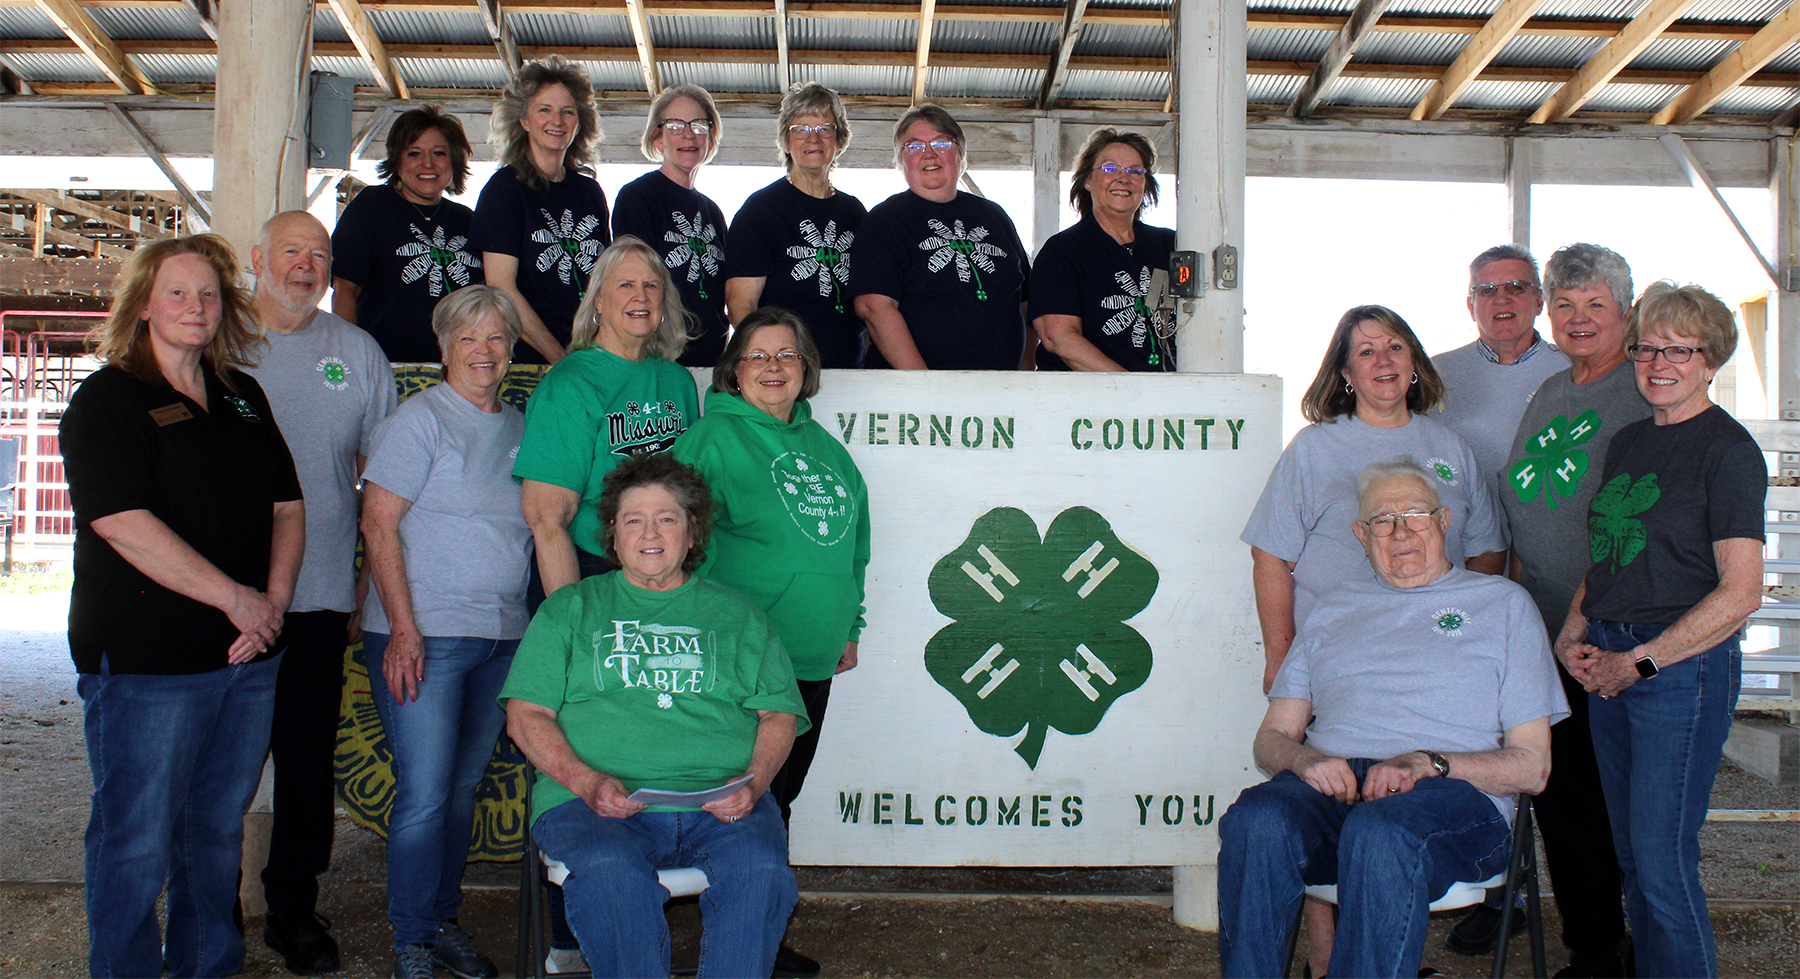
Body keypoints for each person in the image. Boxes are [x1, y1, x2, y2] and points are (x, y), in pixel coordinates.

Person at [60, 234, 304, 978]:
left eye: (208, 294)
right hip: (147, 663)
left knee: (213, 834)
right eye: (177, 292)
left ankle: (205, 966)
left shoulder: (241, 394)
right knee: (135, 838)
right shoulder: (106, 400)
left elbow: (288, 507)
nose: (195, 307)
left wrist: (272, 608)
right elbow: (123, 523)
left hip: (246, 657)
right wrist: (238, 599)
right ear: (141, 305)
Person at [1219, 460, 1567, 979]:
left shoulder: (1503, 605)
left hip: (1452, 797)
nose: (1401, 531)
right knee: (1256, 820)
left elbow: (1532, 767)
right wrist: (1305, 759)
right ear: (1361, 535)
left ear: (1444, 521)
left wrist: (1431, 763)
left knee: (1380, 833)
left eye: (1416, 515)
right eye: (1383, 520)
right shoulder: (1334, 608)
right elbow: (1271, 739)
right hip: (1338, 789)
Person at [1240, 304, 1507, 974]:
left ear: (1415, 361)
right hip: (1334, 659)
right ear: (1344, 372)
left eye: (1395, 346)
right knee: (1331, 798)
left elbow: (1486, 554)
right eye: (1366, 352)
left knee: (1397, 815)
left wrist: (1472, 637)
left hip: (1429, 665)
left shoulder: (1450, 449)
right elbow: (1272, 557)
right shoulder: (1315, 447)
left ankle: (1379, 957)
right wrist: (1281, 653)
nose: (1384, 361)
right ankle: (1332, 963)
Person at [502, 453, 810, 979]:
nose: (650, 533)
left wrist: (754, 785)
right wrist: (586, 781)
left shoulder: (739, 615)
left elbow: (778, 714)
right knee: (609, 874)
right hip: (592, 804)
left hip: (722, 804)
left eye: (667, 518)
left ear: (692, 535)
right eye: (633, 520)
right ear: (613, 536)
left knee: (761, 870)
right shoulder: (569, 610)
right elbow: (526, 715)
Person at [1554, 281, 1765, 979]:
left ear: (1712, 360)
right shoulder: (1630, 442)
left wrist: (1640, 661)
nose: (1658, 362)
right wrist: (1575, 623)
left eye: (1680, 349)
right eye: (1647, 347)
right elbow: (1614, 550)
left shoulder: (1727, 450)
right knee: (1633, 856)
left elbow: (1741, 591)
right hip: (1611, 658)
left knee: (1663, 861)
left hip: (1678, 670)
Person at [671, 307, 870, 978]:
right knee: (746, 799)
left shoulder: (829, 450)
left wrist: (850, 624)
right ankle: (743, 938)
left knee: (778, 796)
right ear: (733, 369)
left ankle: (748, 930)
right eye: (758, 356)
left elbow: (855, 545)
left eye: (787, 355)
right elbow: (677, 541)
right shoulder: (710, 439)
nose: (774, 367)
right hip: (745, 663)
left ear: (807, 369)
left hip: (813, 657)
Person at [360, 286, 532, 979]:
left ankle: (440, 919)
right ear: (443, 349)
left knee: (460, 791)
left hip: (501, 637)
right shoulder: (419, 421)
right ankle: (411, 936)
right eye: (468, 338)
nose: (483, 351)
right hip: (424, 635)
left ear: (512, 349)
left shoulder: (521, 425)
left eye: (496, 338)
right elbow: (378, 524)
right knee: (426, 791)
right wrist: (403, 629)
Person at [245, 210, 396, 975]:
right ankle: (203, 906)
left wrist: (369, 570)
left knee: (306, 765)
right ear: (258, 259)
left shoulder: (357, 352)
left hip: (321, 594)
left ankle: (293, 911)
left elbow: (386, 476)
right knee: (218, 768)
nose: (305, 266)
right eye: (291, 252)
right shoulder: (219, 341)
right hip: (225, 601)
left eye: (320, 255)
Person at [1496, 243, 1645, 976]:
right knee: (1563, 797)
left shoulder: (1641, 391)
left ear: (1626, 309)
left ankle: (1624, 946)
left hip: (1605, 635)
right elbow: (1526, 507)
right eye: (1565, 303)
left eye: (1594, 303)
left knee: (1614, 803)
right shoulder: (1553, 389)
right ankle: (1594, 945)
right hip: (1543, 629)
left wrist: (1580, 628)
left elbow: (1634, 526)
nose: (1578, 318)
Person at [515, 236, 701, 597]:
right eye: (626, 285)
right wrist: (570, 619)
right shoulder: (569, 384)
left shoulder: (677, 381)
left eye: (651, 285)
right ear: (598, 299)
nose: (641, 297)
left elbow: (689, 494)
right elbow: (547, 520)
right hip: (591, 568)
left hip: (663, 569)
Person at [851, 103, 1031, 370]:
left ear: (960, 153)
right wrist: (927, 388)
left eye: (942, 144)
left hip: (1001, 396)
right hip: (916, 397)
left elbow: (1026, 302)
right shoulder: (884, 221)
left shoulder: (994, 216)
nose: (929, 155)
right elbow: (874, 308)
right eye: (914, 147)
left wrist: (1024, 377)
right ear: (902, 160)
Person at [472, 55, 610, 365]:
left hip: (588, 356)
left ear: (579, 122)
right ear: (523, 120)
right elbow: (501, 286)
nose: (557, 121)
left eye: (567, 111)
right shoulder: (504, 190)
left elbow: (604, 282)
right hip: (526, 361)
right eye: (544, 110)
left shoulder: (590, 193)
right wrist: (558, 358)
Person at [724, 81, 868, 368]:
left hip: (851, 372)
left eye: (824, 129)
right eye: (800, 129)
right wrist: (771, 366)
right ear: (786, 142)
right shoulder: (762, 210)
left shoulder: (856, 213)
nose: (812, 139)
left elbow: (868, 303)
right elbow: (741, 307)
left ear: (839, 141)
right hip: (785, 374)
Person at [331, 104, 483, 363]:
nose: (427, 163)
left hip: (456, 371)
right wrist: (351, 360)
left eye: (439, 153)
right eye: (414, 153)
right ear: (397, 160)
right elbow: (345, 290)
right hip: (382, 366)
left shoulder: (466, 220)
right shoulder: (372, 206)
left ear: (454, 161)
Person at [1029, 128, 1176, 372]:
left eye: (1135, 171)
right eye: (1110, 169)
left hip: (1172, 401)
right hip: (1087, 404)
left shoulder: (1171, 245)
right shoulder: (1063, 251)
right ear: (1087, 180)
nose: (1123, 178)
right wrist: (1131, 389)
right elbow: (1058, 336)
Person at [612, 84, 731, 368]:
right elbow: (633, 284)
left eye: (699, 125)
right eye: (676, 126)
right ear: (658, 139)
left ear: (711, 140)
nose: (688, 134)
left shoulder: (713, 212)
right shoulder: (638, 197)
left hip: (712, 359)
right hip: (660, 358)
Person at [1433, 244, 1571, 485]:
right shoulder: (1435, 374)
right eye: (1487, 291)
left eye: (1516, 288)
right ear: (1471, 306)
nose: (1502, 299)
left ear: (1539, 301)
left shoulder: (1571, 370)